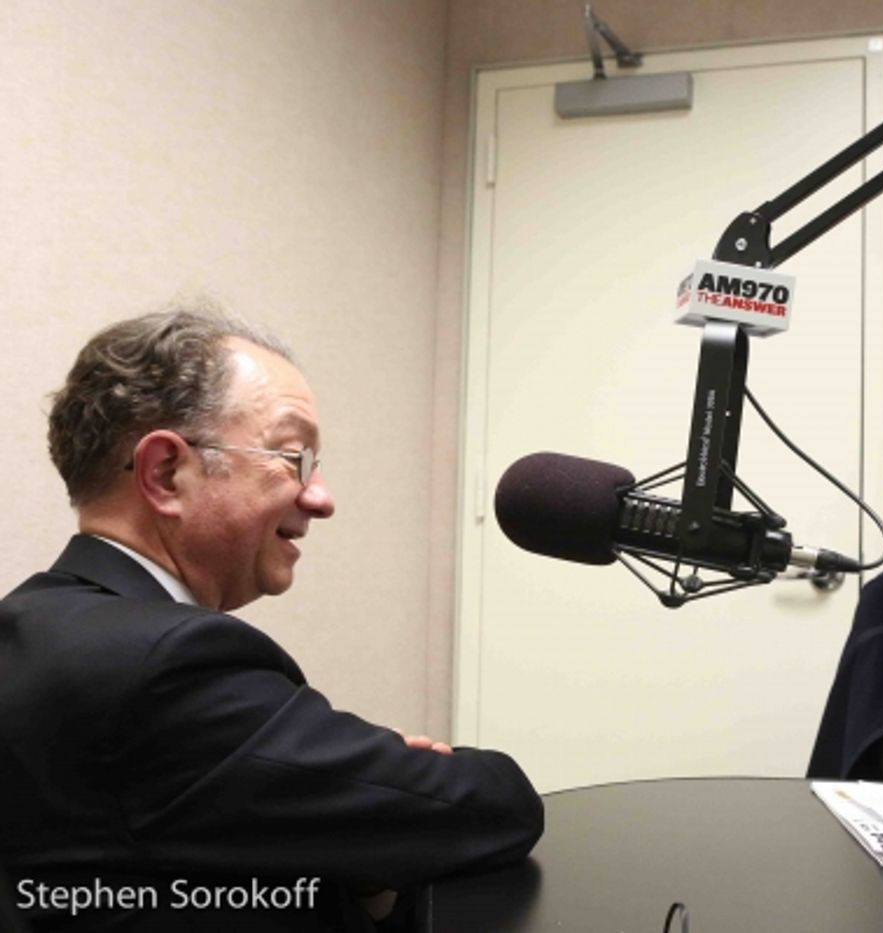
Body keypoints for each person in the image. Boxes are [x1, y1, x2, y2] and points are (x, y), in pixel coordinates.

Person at [0, 309, 544, 932]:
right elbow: (493, 808)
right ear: (165, 472)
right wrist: (400, 794)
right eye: (294, 458)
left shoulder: (29, 625)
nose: (321, 497)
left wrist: (355, 842)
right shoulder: (169, 666)